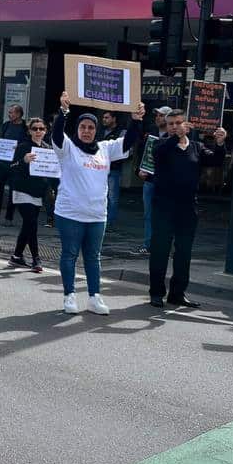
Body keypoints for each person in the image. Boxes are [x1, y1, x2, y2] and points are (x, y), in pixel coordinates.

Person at [52, 91, 144, 314]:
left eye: (91, 128)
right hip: (69, 213)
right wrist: (63, 111)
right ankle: (69, 296)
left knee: (93, 257)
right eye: (82, 127)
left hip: (96, 215)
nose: (86, 131)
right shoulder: (67, 148)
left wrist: (137, 119)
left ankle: (94, 297)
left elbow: (129, 140)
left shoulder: (105, 149)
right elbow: (56, 135)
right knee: (70, 255)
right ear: (77, 129)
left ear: (96, 131)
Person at [147, 110, 227, 309]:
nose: (175, 126)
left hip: (187, 207)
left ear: (187, 124)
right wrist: (175, 137)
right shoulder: (160, 144)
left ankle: (178, 293)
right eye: (171, 123)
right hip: (164, 206)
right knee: (160, 251)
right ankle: (156, 293)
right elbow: (160, 153)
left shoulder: (197, 147)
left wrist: (220, 143)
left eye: (179, 123)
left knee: (184, 253)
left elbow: (216, 160)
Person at [6, 117, 54, 272]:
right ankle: (36, 259)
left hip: (38, 192)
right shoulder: (23, 147)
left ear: (46, 131)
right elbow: (12, 167)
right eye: (35, 129)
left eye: (41, 129)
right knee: (31, 223)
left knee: (28, 225)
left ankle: (17, 255)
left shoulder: (48, 148)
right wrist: (23, 161)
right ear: (29, 131)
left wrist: (52, 187)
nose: (38, 131)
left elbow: (51, 170)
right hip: (22, 190)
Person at [137, 106, 171, 254]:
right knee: (148, 214)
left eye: (161, 115)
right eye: (156, 115)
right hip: (150, 179)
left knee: (165, 214)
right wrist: (139, 170)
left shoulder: (173, 135)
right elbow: (142, 152)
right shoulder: (151, 132)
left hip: (166, 182)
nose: (157, 117)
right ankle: (148, 244)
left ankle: (164, 245)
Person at [0, 104, 28, 223]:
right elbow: (1, 140)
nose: (9, 115)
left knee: (13, 192)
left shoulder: (25, 127)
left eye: (12, 113)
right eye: (9, 112)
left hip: (16, 164)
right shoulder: (6, 125)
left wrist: (19, 147)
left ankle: (9, 218)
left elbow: (27, 144)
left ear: (19, 114)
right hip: (3, 164)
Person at [101, 110, 126, 228]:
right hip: (100, 168)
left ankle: (109, 223)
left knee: (112, 198)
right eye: (103, 117)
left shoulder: (121, 132)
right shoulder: (100, 132)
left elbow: (126, 149)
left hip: (114, 169)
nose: (104, 120)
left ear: (114, 119)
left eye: (107, 117)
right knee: (101, 195)